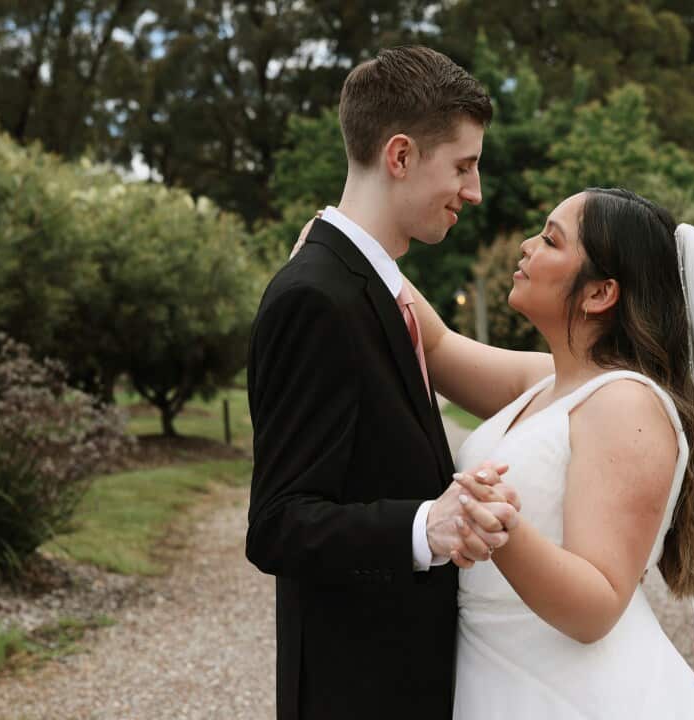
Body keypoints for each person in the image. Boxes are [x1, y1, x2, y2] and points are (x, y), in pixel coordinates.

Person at [407, 188, 694, 718]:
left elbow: (596, 607)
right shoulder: (550, 382)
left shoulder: (627, 405)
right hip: (499, 678)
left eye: (551, 240)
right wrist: (348, 233)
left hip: (581, 697)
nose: (527, 246)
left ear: (600, 293)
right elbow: (436, 347)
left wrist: (501, 529)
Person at [244, 46, 521, 720]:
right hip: (356, 692)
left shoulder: (375, 287)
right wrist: (431, 524)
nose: (475, 191)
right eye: (462, 166)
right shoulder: (316, 297)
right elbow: (278, 525)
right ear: (399, 157)